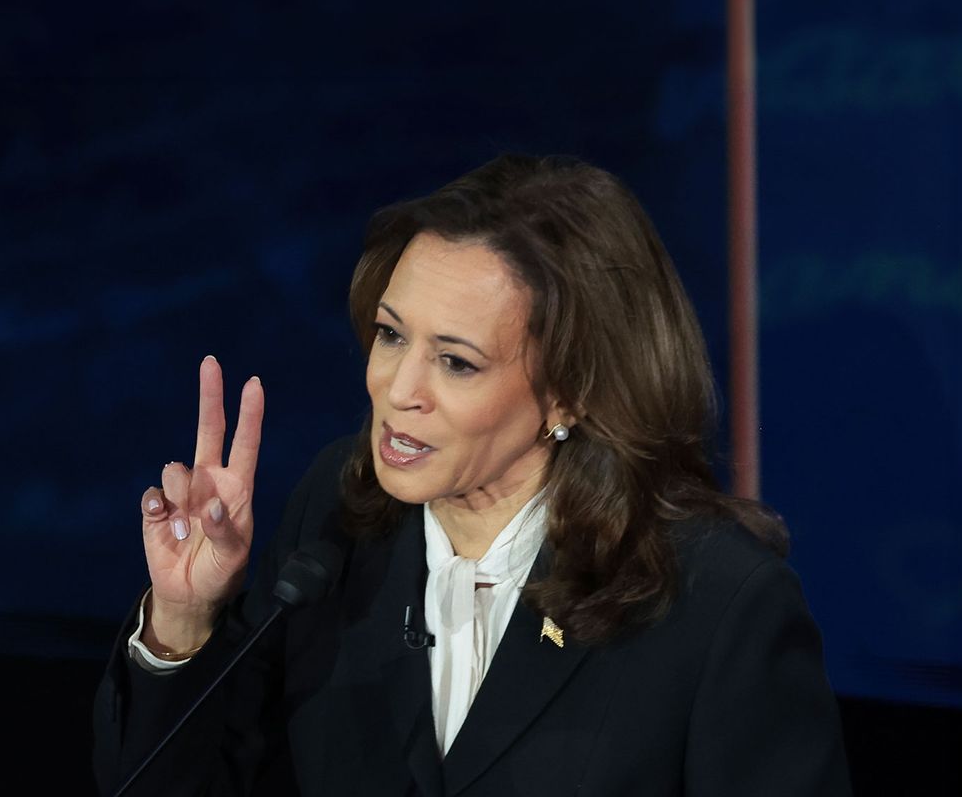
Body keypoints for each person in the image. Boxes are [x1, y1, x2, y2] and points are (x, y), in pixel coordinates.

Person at [93, 155, 852, 796]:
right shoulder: (338, 515)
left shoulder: (716, 602)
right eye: (391, 335)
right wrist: (183, 624)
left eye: (456, 361)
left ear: (572, 391)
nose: (399, 388)